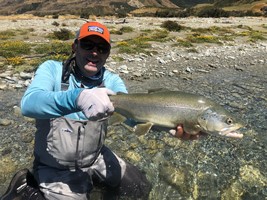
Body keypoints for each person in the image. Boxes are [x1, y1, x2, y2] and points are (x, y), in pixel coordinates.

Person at [1, 21, 200, 200]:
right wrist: (77, 98)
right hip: (55, 167)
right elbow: (29, 103)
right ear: (75, 46)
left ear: (108, 53)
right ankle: (27, 189)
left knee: (139, 188)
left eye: (102, 48)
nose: (95, 52)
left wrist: (171, 125)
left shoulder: (112, 81)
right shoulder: (52, 70)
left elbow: (133, 119)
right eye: (88, 45)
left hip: (95, 158)